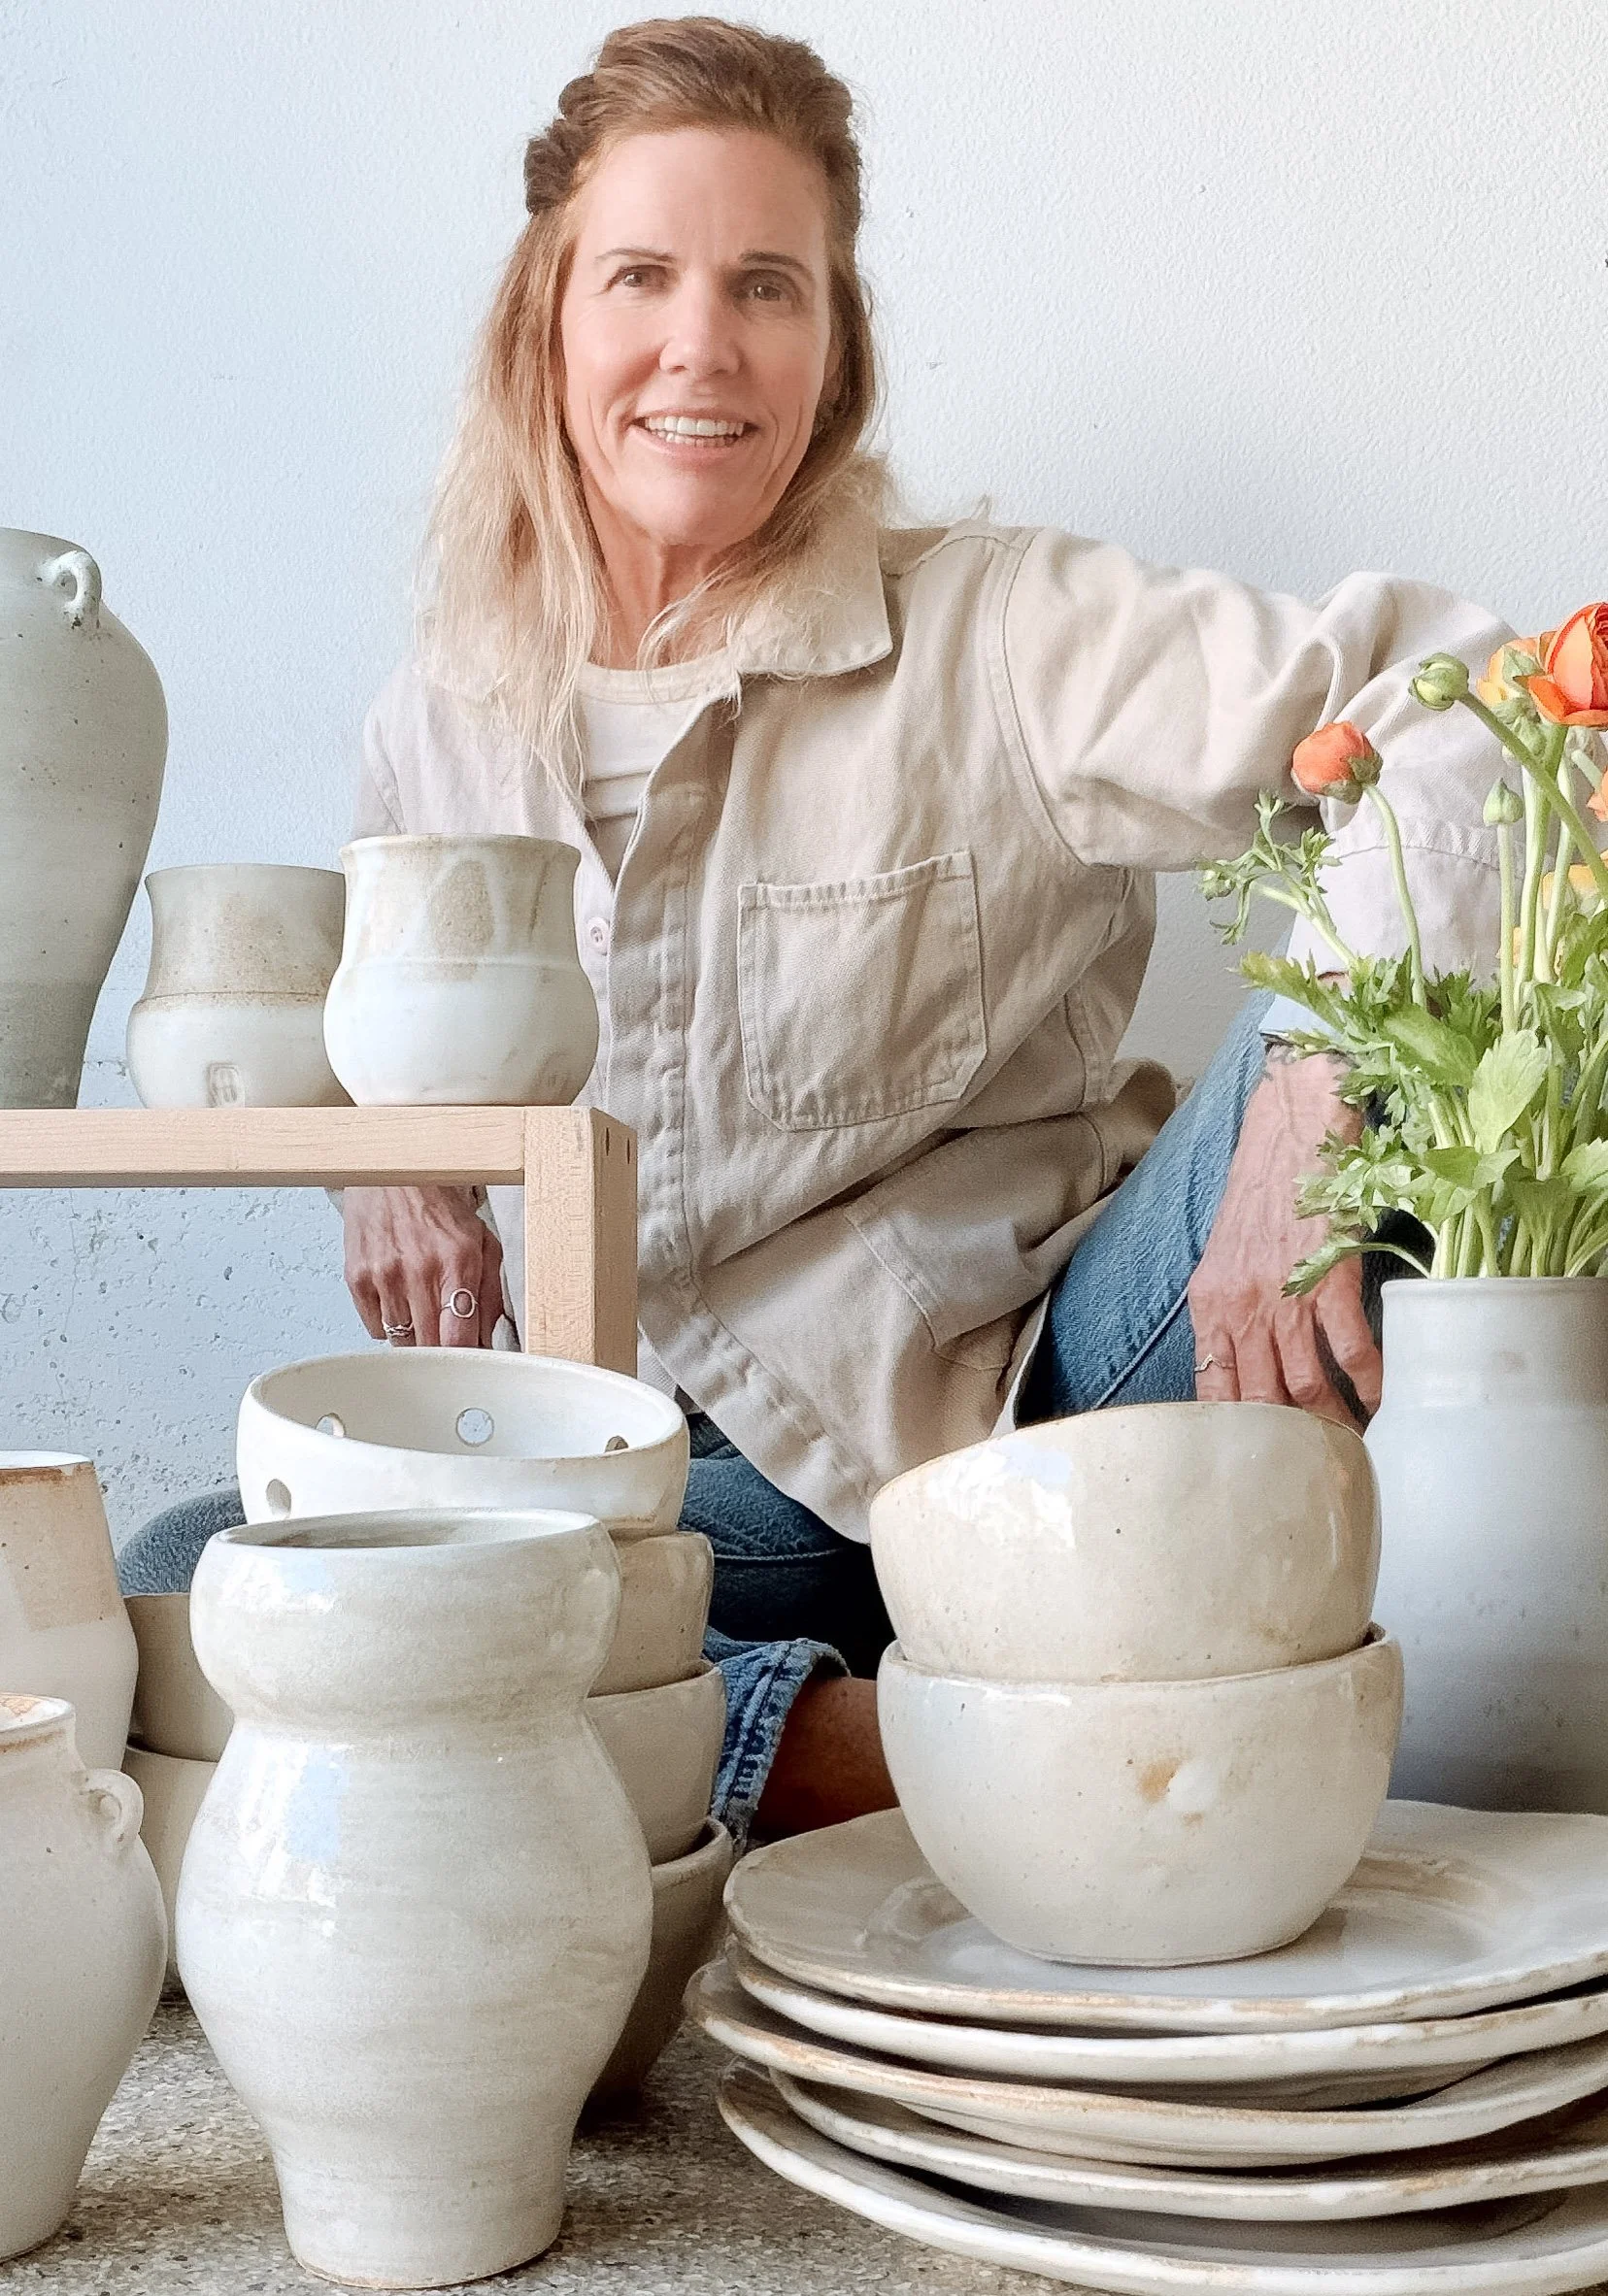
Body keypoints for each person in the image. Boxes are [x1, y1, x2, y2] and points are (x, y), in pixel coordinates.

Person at [120, 17, 1507, 1847]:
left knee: (1370, 1030)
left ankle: (777, 1734)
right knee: (174, 1580)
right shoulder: (438, 718)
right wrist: (383, 1155)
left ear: (834, 342)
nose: (702, 345)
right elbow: (391, 1042)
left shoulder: (1000, 631)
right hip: (660, 1502)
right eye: (642, 277)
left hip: (1038, 1397)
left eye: (767, 284)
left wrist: (1316, 1110)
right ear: (550, 316)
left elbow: (1476, 702)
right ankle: (915, 1749)